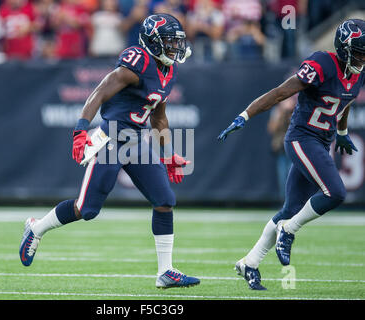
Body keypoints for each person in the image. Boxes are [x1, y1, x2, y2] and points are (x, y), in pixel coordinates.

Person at [19, 13, 199, 289]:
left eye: (177, 42)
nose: (175, 48)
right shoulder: (136, 63)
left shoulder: (168, 70)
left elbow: (158, 117)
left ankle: (166, 271)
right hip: (112, 139)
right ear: (153, 42)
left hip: (137, 140)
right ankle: (36, 228)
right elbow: (99, 92)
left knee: (165, 200)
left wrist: (168, 154)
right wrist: (80, 130)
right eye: (169, 42)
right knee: (86, 209)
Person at [218, 19, 365, 290]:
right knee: (336, 193)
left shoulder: (357, 72)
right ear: (344, 48)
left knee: (290, 208)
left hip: (322, 141)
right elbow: (279, 93)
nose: (362, 58)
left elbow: (344, 103)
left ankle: (249, 262)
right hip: (302, 137)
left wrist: (342, 132)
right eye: (359, 52)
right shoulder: (323, 63)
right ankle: (289, 229)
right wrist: (245, 115)